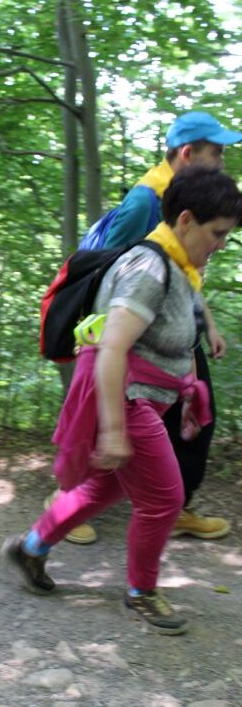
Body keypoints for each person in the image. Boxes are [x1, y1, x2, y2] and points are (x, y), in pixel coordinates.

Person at [3, 167, 242, 635]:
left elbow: (174, 334)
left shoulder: (181, 266)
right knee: (165, 500)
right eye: (217, 233)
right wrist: (113, 431)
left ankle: (30, 549)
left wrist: (193, 371)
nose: (220, 244)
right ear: (186, 220)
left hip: (149, 400)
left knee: (104, 489)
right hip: (130, 400)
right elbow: (112, 348)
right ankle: (141, 592)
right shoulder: (148, 269)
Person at [62, 110, 242, 546]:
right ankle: (66, 502)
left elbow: (185, 270)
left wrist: (207, 324)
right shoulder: (146, 200)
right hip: (133, 332)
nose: (222, 161)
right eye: (216, 152)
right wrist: (108, 338)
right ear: (188, 153)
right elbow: (106, 266)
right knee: (106, 417)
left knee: (194, 415)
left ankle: (173, 507)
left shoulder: (190, 200)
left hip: (172, 324)